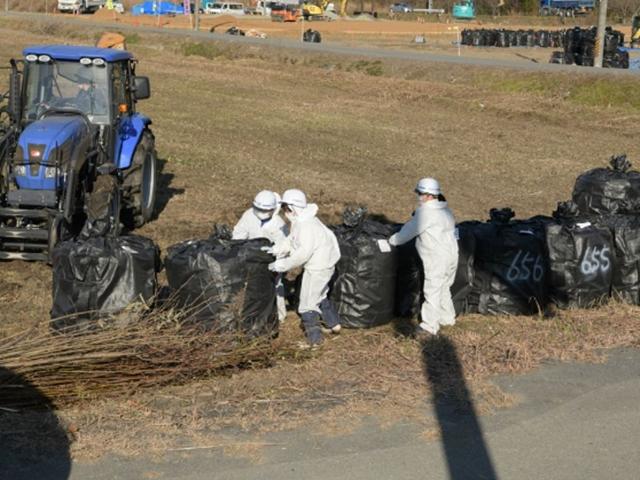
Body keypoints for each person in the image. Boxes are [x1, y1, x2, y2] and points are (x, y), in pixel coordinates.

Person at [267, 189, 342, 347]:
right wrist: (277, 249)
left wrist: (281, 264)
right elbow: (292, 240)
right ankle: (333, 324)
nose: (285, 212)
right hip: (323, 265)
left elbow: (301, 254)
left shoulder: (307, 225)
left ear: (295, 207)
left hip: (318, 268)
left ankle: (315, 341)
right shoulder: (302, 220)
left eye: (287, 208)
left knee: (307, 304)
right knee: (320, 295)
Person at [389, 178, 458, 337]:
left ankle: (429, 327)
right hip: (452, 255)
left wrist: (390, 241)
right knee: (444, 287)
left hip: (436, 258)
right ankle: (447, 318)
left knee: (432, 290)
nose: (418, 196)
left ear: (428, 195)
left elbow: (405, 235)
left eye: (420, 193)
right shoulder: (446, 211)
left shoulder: (426, 213)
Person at [233, 190, 288, 322]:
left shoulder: (279, 224)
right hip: (251, 259)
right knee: (250, 287)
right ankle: (251, 313)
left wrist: (276, 261)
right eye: (259, 209)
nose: (262, 212)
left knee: (275, 286)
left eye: (266, 210)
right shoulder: (248, 215)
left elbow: (284, 247)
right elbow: (239, 235)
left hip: (271, 261)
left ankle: (280, 316)